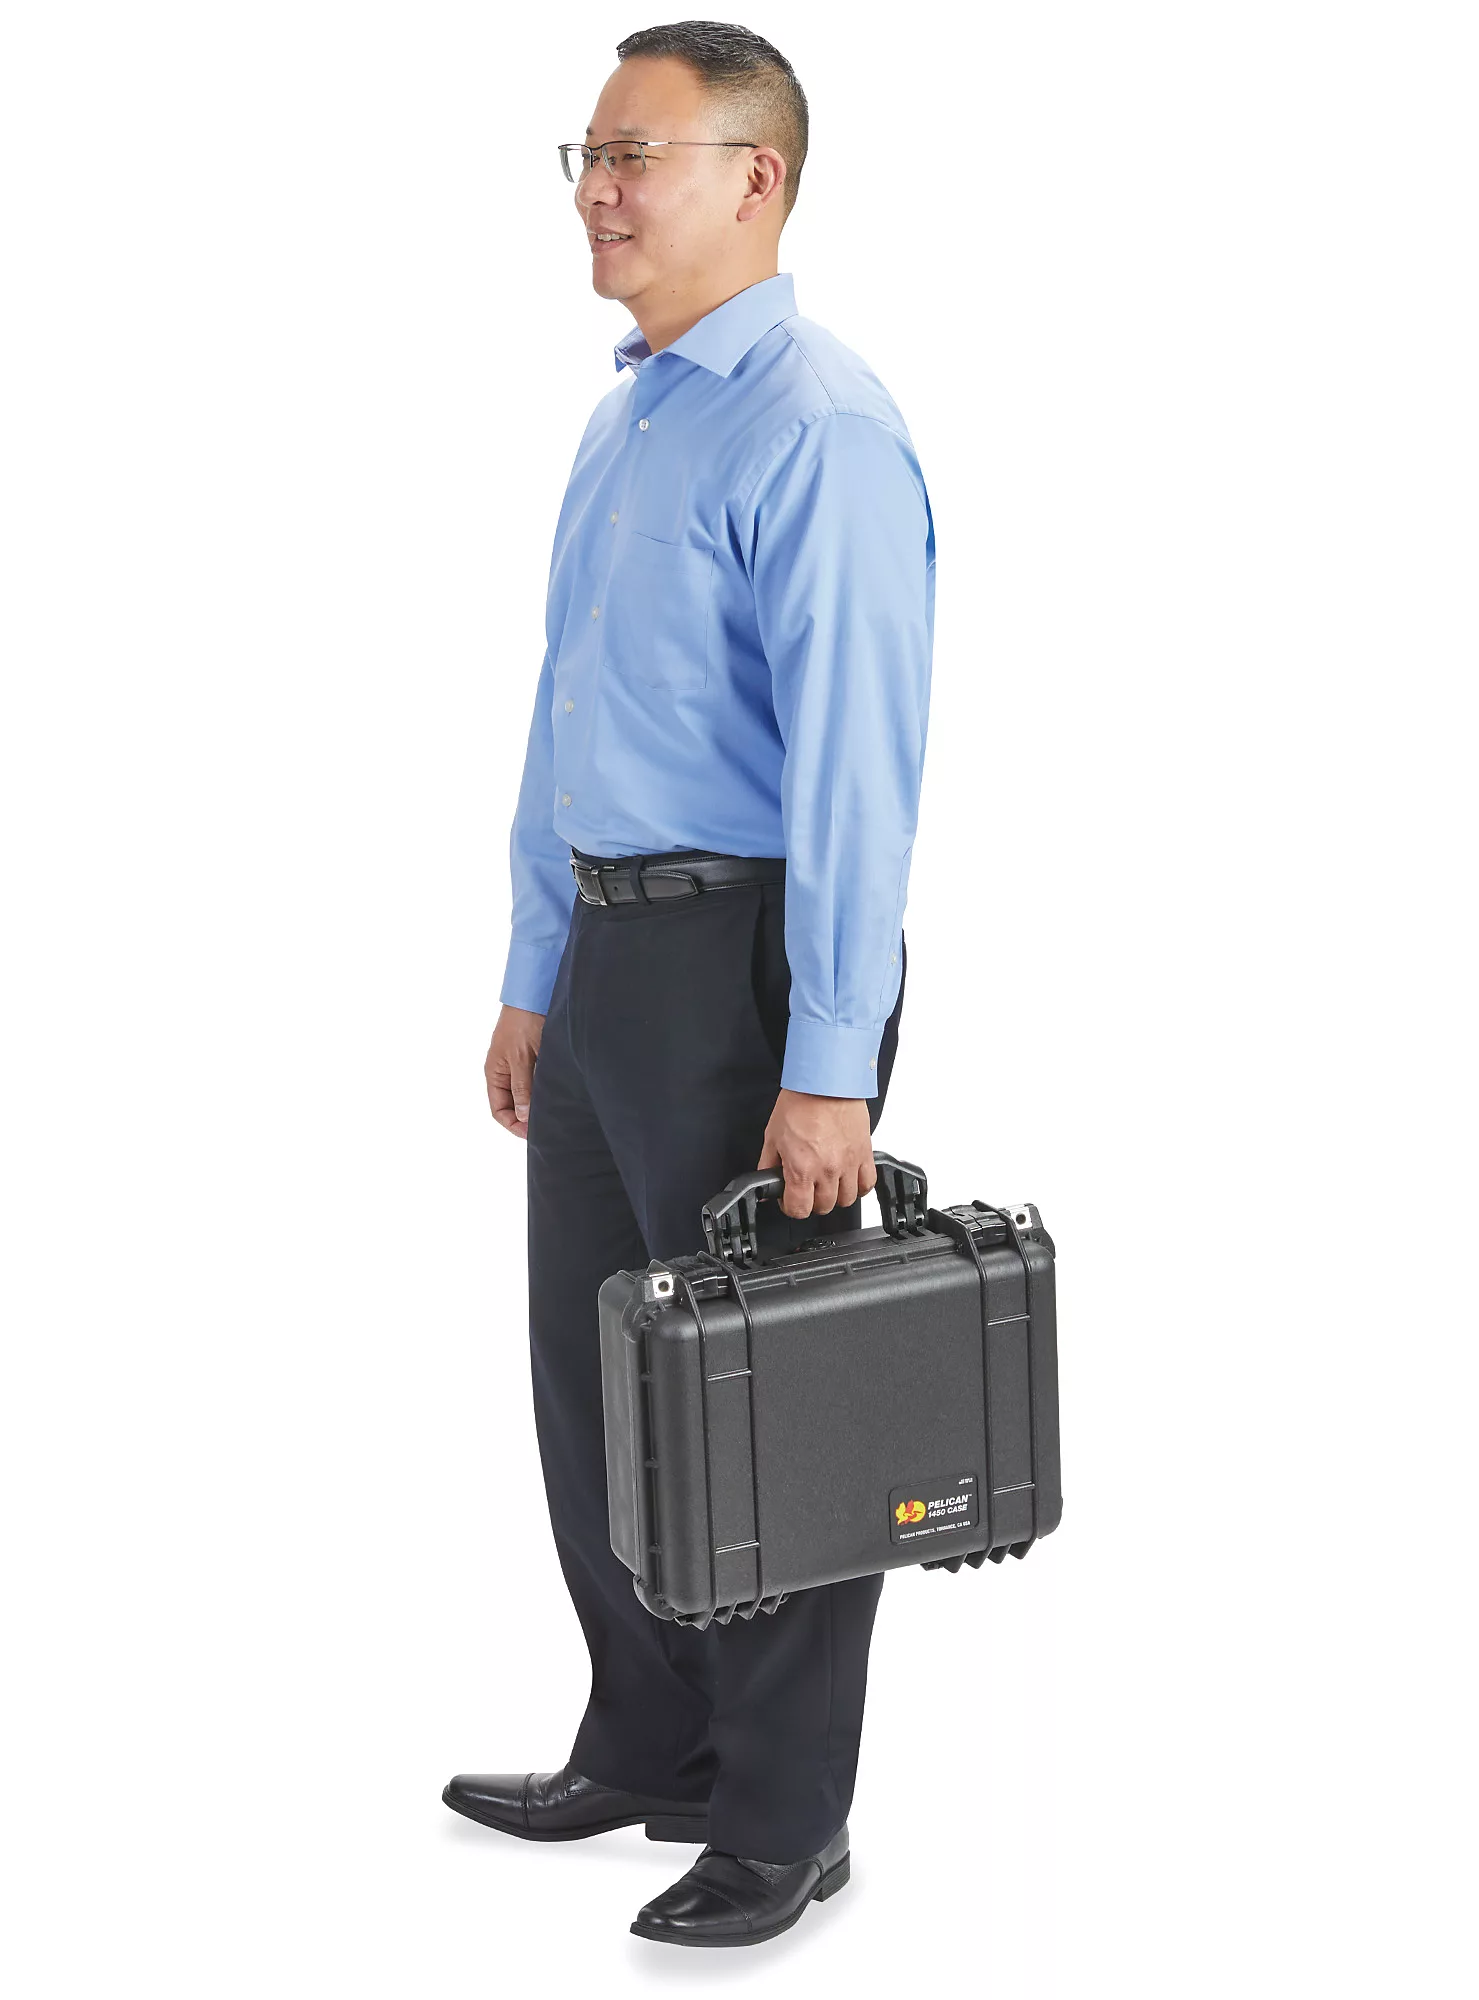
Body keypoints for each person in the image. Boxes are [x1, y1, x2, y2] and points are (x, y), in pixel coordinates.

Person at [443, 21, 935, 1948]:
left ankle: (787, 1815)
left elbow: (857, 777)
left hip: (749, 965)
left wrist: (830, 1066)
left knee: (770, 1403)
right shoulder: (634, 412)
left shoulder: (817, 426)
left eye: (637, 155)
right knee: (602, 1379)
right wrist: (533, 968)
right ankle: (654, 1741)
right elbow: (569, 713)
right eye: (586, 153)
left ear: (759, 178)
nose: (598, 189)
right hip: (606, 959)